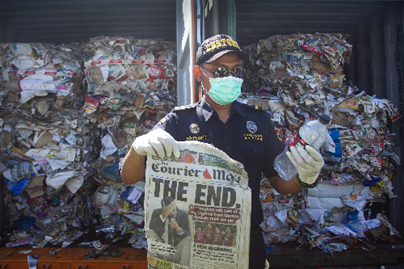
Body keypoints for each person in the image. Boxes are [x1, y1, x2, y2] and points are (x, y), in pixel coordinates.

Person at [121, 34, 325, 269]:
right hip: (188, 244)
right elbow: (129, 177)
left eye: (236, 71)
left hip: (245, 245)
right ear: (199, 74)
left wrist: (305, 177)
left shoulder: (259, 122)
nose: (229, 78)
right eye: (219, 71)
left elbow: (280, 182)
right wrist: (138, 148)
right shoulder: (178, 121)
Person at [148, 197, 191, 265]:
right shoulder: (157, 212)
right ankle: (155, 264)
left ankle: (183, 266)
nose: (173, 212)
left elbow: (189, 234)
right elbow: (152, 228)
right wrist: (164, 215)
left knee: (188, 239)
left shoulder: (183, 214)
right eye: (170, 209)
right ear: (163, 209)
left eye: (174, 209)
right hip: (160, 249)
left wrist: (179, 229)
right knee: (149, 232)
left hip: (176, 250)